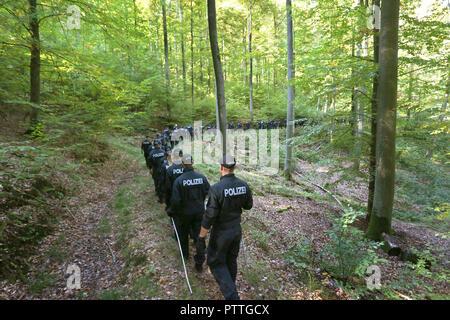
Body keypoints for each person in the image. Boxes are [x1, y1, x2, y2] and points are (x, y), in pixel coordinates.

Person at [196, 155, 253, 300]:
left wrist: (201, 236)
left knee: (215, 262)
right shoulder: (243, 185)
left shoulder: (216, 189)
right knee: (230, 260)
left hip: (221, 233)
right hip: (236, 231)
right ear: (234, 167)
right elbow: (248, 206)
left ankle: (232, 297)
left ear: (221, 167)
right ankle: (230, 287)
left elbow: (209, 216)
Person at [168, 154, 210, 270]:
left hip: (184, 214)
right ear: (192, 162)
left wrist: (171, 211)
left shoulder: (179, 181)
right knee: (199, 237)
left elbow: (176, 200)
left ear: (182, 164)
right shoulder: (202, 178)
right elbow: (208, 192)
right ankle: (200, 262)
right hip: (199, 213)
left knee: (183, 235)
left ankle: (185, 255)